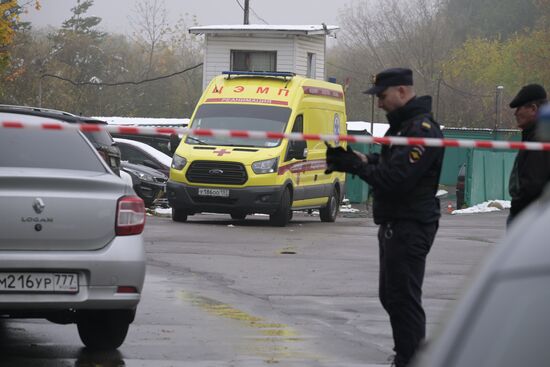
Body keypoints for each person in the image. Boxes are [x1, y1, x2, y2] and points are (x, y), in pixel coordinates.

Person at [325, 68, 444, 367]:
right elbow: (390, 163)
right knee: (391, 296)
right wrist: (360, 159)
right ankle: (407, 354)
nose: (379, 103)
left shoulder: (422, 130)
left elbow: (397, 179)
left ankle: (411, 359)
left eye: (382, 96)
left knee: (403, 298)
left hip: (411, 223)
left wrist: (357, 167)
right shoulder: (403, 127)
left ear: (402, 91)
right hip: (396, 222)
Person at [507, 84, 550, 225]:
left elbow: (533, 183)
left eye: (519, 108)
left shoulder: (540, 138)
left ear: (533, 109)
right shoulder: (534, 134)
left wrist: (517, 208)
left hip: (528, 216)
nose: (515, 114)